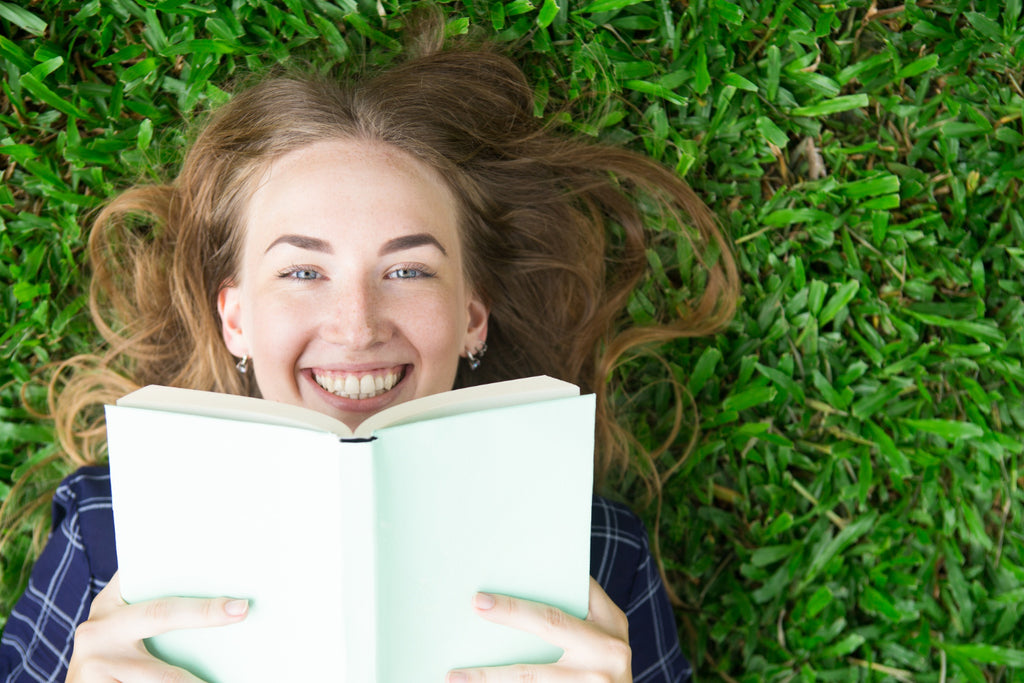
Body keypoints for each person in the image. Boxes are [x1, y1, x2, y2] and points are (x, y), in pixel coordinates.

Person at [0, 28, 737, 683]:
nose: (356, 325)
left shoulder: (597, 553)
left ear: (472, 317)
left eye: (408, 270)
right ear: (236, 321)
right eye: (302, 271)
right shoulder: (109, 530)